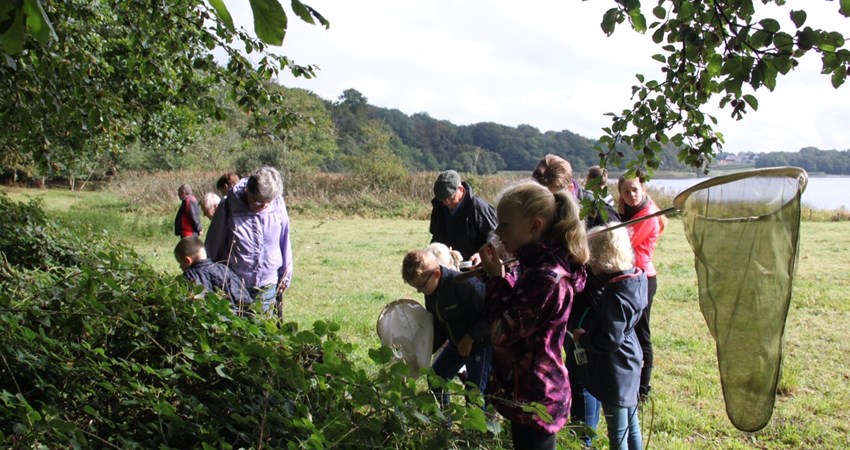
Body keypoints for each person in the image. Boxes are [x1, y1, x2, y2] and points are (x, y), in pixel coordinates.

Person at [478, 181, 589, 450]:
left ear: (534, 226)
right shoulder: (531, 265)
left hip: (538, 398)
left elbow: (501, 332)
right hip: (526, 393)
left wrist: (496, 281)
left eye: (504, 224)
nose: (497, 231)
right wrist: (504, 275)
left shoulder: (547, 278)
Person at [532, 154, 617, 436]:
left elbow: (615, 262)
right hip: (563, 300)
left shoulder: (598, 212)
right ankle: (580, 430)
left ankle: (585, 437)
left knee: (585, 372)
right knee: (573, 366)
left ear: (570, 187)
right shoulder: (547, 211)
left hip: (592, 301)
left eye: (552, 196)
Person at [572, 224, 647, 450]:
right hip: (630, 360)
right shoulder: (635, 279)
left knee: (618, 434)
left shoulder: (614, 294)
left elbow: (610, 339)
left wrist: (583, 339)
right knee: (631, 425)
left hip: (614, 369)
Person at [401, 249, 492, 407]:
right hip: (456, 343)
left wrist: (471, 337)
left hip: (481, 344)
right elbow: (438, 324)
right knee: (436, 379)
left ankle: (479, 430)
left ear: (436, 274)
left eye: (421, 287)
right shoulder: (431, 289)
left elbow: (492, 310)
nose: (419, 291)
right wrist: (421, 351)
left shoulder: (462, 283)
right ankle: (446, 421)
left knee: (474, 392)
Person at [205, 167, 293, 316]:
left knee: (263, 332)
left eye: (267, 202)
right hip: (235, 285)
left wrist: (286, 273)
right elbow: (212, 248)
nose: (264, 206)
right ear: (248, 191)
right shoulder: (228, 206)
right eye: (258, 201)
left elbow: (284, 240)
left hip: (268, 284)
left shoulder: (277, 204)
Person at [617, 174, 666, 402]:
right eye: (626, 192)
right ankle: (633, 383)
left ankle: (643, 389)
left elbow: (624, 244)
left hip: (644, 278)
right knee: (631, 331)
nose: (632, 195)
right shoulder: (631, 212)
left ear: (643, 188)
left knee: (642, 334)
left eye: (635, 190)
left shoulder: (648, 214)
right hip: (631, 277)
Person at [532, 154, 619, 229]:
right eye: (541, 197)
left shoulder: (599, 210)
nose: (547, 203)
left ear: (570, 188)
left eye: (554, 198)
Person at [429, 170, 497, 265]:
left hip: (475, 267)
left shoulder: (479, 207)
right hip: (448, 268)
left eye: (450, 198)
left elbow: (495, 236)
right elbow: (436, 237)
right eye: (442, 199)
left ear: (460, 189)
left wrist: (481, 255)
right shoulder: (438, 207)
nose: (446, 202)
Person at [174, 236, 252, 316]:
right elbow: (243, 298)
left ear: (187, 260)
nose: (180, 267)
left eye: (180, 263)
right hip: (232, 320)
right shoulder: (223, 269)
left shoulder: (188, 276)